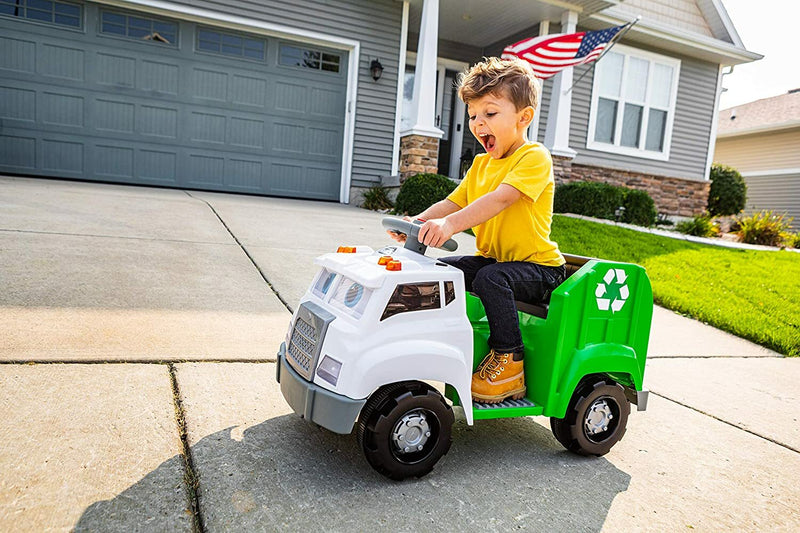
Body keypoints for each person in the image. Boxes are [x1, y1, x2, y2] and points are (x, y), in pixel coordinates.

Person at [391, 57, 566, 404]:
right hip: (498, 262)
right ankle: (442, 341)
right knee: (446, 272)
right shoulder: (481, 163)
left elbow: (501, 200)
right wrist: (419, 222)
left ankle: (510, 361)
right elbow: (454, 203)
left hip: (540, 270)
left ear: (523, 117)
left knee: (491, 279)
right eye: (472, 116)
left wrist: (451, 226)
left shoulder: (534, 158)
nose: (478, 123)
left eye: (490, 113)